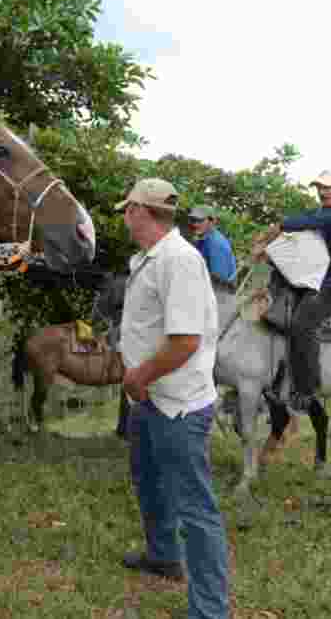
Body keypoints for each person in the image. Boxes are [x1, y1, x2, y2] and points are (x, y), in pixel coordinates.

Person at [115, 178, 230, 619]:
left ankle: (210, 610)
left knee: (195, 507)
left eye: (128, 209)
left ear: (139, 212)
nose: (125, 216)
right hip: (149, 395)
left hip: (176, 401)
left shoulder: (179, 260)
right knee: (148, 480)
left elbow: (184, 340)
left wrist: (138, 375)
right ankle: (163, 555)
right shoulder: (150, 259)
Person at [272, 169, 331, 411]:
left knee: (302, 324)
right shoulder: (328, 210)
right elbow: (308, 220)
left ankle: (306, 390)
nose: (321, 192)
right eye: (319, 188)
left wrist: (280, 225)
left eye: (327, 187)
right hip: (320, 279)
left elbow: (310, 221)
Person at [188, 205, 237, 282]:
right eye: (194, 220)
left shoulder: (216, 243)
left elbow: (219, 279)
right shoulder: (203, 238)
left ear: (212, 222)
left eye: (200, 220)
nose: (195, 224)